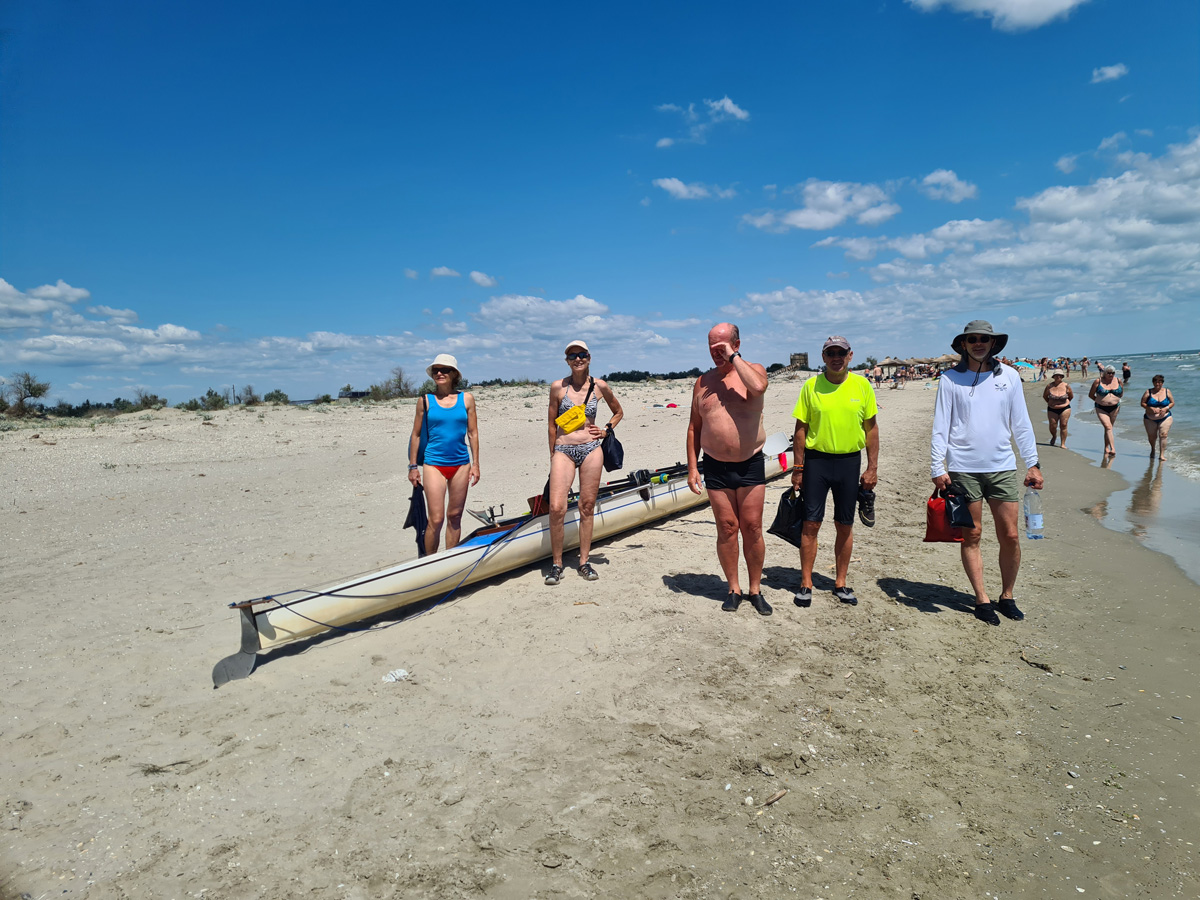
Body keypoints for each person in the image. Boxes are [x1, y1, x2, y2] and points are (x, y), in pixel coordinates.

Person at [931, 320, 1042, 626]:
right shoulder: (950, 379)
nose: (978, 343)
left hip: (1003, 466)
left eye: (984, 339)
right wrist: (936, 467)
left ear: (994, 343)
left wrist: (1033, 463)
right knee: (973, 534)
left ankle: (1007, 595)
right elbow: (941, 425)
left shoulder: (1010, 376)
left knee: (1011, 535)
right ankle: (981, 599)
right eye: (972, 339)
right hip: (963, 469)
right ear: (964, 344)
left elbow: (1021, 423)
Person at [686, 323, 772, 616]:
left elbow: (759, 387)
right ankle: (733, 588)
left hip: (750, 463)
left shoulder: (754, 369)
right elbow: (693, 427)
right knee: (726, 528)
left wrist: (733, 357)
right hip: (715, 466)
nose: (716, 354)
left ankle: (755, 589)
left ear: (736, 343)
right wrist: (692, 468)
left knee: (752, 527)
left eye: (721, 347)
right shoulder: (702, 382)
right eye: (712, 349)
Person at [789, 336, 879, 608]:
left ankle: (840, 582)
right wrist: (798, 468)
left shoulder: (862, 386)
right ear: (823, 357)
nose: (836, 357)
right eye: (831, 353)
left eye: (841, 352)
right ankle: (806, 583)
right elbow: (801, 429)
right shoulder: (810, 386)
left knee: (844, 524)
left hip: (849, 462)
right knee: (811, 524)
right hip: (816, 463)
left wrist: (872, 467)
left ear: (850, 355)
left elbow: (871, 429)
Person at [544, 340, 623, 585]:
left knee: (586, 505)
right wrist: (553, 454)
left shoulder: (600, 386)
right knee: (556, 507)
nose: (577, 359)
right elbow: (551, 424)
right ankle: (556, 564)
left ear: (589, 357)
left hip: (591, 449)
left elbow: (618, 411)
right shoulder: (558, 387)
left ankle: (584, 562)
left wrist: (606, 430)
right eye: (572, 356)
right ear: (566, 361)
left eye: (582, 354)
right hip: (564, 449)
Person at [407, 354, 480, 555]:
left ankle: (451, 560)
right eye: (436, 370)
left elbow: (472, 433)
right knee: (436, 518)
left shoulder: (467, 399)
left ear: (454, 374)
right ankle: (429, 562)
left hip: (461, 464)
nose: (440, 373)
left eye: (445, 370)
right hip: (434, 464)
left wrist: (476, 464)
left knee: (455, 516)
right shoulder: (425, 401)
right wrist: (413, 466)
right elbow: (416, 435)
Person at [1089, 365, 1124, 457]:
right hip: (1101, 408)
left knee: (1109, 428)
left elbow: (1121, 393)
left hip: (1115, 407)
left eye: (1113, 373)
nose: (1111, 375)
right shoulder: (1098, 381)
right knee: (1108, 427)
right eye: (1109, 373)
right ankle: (1113, 448)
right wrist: (1100, 401)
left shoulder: (1118, 381)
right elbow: (1091, 394)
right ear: (1104, 373)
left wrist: (1115, 400)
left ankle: (1106, 448)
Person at [1140, 374, 1174, 460]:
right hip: (1150, 418)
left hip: (1165, 417)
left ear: (1162, 383)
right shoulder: (1148, 392)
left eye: (1159, 382)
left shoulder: (1167, 391)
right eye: (1155, 382)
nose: (1157, 384)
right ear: (1153, 383)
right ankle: (1153, 449)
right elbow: (1142, 403)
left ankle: (1162, 455)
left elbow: (1172, 403)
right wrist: (1149, 408)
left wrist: (1166, 408)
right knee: (1152, 437)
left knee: (1163, 435)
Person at [1042, 369, 1073, 448]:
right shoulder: (1049, 386)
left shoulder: (1066, 385)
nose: (1058, 377)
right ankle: (1054, 436)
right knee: (1053, 425)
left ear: (1062, 376)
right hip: (1052, 408)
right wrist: (1051, 403)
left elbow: (1071, 396)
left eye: (1060, 375)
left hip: (1065, 408)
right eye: (1056, 375)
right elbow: (1045, 396)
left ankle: (1063, 443)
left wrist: (1064, 403)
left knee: (1064, 424)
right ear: (1053, 376)